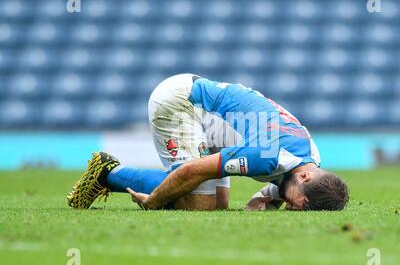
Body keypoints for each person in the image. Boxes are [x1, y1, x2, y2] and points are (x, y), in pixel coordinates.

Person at [67, 74, 349, 211]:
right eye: (300, 204)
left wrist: (265, 202)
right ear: (305, 175)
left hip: (218, 122)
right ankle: (107, 172)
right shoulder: (267, 154)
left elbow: (278, 187)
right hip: (182, 101)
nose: (295, 207)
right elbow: (193, 171)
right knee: (196, 203)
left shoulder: (310, 157)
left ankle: (116, 175)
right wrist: (153, 202)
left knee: (219, 204)